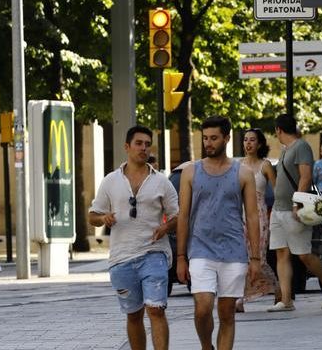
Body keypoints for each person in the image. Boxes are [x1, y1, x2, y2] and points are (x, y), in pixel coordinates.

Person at [88, 125, 179, 350]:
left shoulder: (162, 182)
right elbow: (92, 215)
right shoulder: (110, 181)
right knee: (134, 315)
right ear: (127, 147)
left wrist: (165, 228)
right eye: (139, 143)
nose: (144, 148)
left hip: (154, 253)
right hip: (122, 258)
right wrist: (104, 218)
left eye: (147, 144)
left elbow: (178, 216)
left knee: (156, 309)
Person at [176, 116, 262, 350]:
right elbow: (182, 216)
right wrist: (181, 257)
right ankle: (206, 346)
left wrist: (255, 258)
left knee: (227, 313)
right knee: (202, 308)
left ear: (226, 138)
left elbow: (253, 217)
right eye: (205, 138)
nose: (208, 143)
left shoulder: (243, 173)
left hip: (234, 251)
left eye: (214, 138)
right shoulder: (190, 172)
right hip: (200, 249)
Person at [267, 113, 322, 312]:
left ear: (278, 130)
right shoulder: (285, 150)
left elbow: (305, 177)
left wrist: (296, 203)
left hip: (294, 209)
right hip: (278, 209)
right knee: (281, 253)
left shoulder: (301, 147)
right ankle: (287, 299)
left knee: (304, 254)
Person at [237, 128, 278, 312]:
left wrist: (276, 214)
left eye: (252, 140)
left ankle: (276, 288)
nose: (248, 143)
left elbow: (278, 192)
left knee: (258, 257)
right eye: (245, 139)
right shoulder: (237, 165)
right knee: (242, 257)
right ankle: (240, 297)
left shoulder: (265, 165)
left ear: (259, 143)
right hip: (240, 215)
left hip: (260, 215)